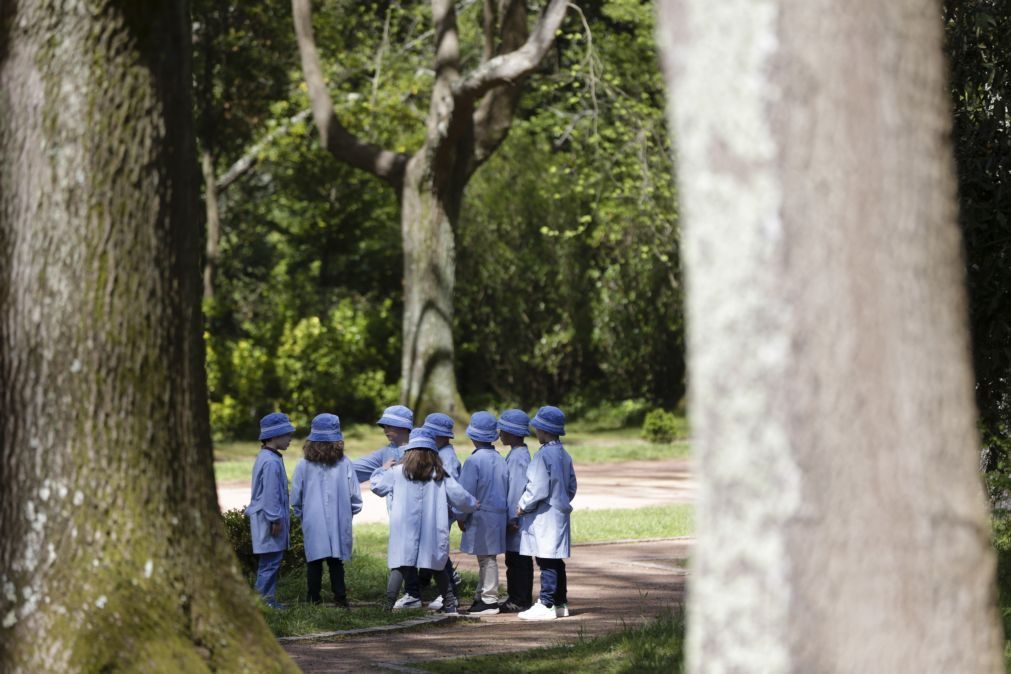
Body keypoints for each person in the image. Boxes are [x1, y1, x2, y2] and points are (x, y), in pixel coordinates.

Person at [371, 428, 479, 616]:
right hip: (432, 530)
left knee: (400, 564)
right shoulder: (439, 474)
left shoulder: (397, 473)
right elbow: (458, 496)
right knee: (437, 565)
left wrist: (382, 469)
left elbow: (378, 487)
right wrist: (472, 504)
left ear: (409, 451)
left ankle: (387, 606)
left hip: (405, 530)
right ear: (433, 453)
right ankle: (450, 603)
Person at [291, 413, 362, 608]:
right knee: (335, 561)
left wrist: (301, 515)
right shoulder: (345, 463)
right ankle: (340, 598)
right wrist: (348, 514)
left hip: (312, 520)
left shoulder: (303, 464)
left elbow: (296, 495)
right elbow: (355, 496)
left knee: (313, 561)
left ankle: (313, 598)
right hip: (339, 519)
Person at [516, 406, 577, 621]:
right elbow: (571, 486)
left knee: (546, 559)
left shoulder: (543, 456)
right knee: (556, 559)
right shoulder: (564, 454)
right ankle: (561, 603)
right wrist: (561, 500)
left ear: (543, 430)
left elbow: (537, 487)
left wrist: (523, 505)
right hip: (559, 513)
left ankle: (546, 602)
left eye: (537, 428)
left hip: (544, 515)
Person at [456, 411, 508, 615]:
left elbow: (465, 493)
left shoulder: (473, 461)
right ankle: (481, 595)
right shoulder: (500, 459)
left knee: (486, 558)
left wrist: (460, 515)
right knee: (486, 556)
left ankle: (489, 599)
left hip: (480, 514)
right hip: (498, 514)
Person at [246, 412, 295, 609]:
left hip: (266, 517)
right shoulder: (271, 461)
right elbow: (271, 494)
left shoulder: (268, 457)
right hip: (268, 520)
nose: (291, 438)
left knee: (270, 560)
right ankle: (264, 601)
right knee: (270, 562)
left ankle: (265, 599)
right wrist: (275, 519)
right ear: (275, 436)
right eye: (287, 434)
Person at [417, 412, 463, 610]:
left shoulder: (447, 458)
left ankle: (450, 586)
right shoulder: (437, 454)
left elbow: (450, 490)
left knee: (439, 550)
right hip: (435, 511)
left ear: (442, 437)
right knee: (433, 548)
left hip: (442, 512)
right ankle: (425, 581)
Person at [497, 409, 534, 612]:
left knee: (517, 559)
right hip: (518, 517)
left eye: (503, 430)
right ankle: (519, 597)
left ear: (511, 432)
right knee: (516, 558)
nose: (500, 434)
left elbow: (517, 489)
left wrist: (512, 516)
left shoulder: (519, 457)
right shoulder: (517, 454)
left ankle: (519, 599)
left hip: (517, 518)